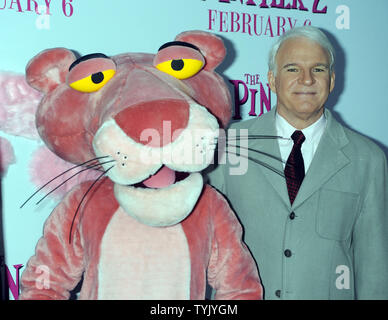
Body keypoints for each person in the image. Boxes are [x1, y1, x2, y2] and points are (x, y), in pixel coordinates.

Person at [207, 26, 388, 299]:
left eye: (318, 69)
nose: (306, 80)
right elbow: (205, 244)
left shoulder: (367, 159)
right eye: (292, 69)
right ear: (272, 79)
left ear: (332, 79)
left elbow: (374, 268)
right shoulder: (230, 144)